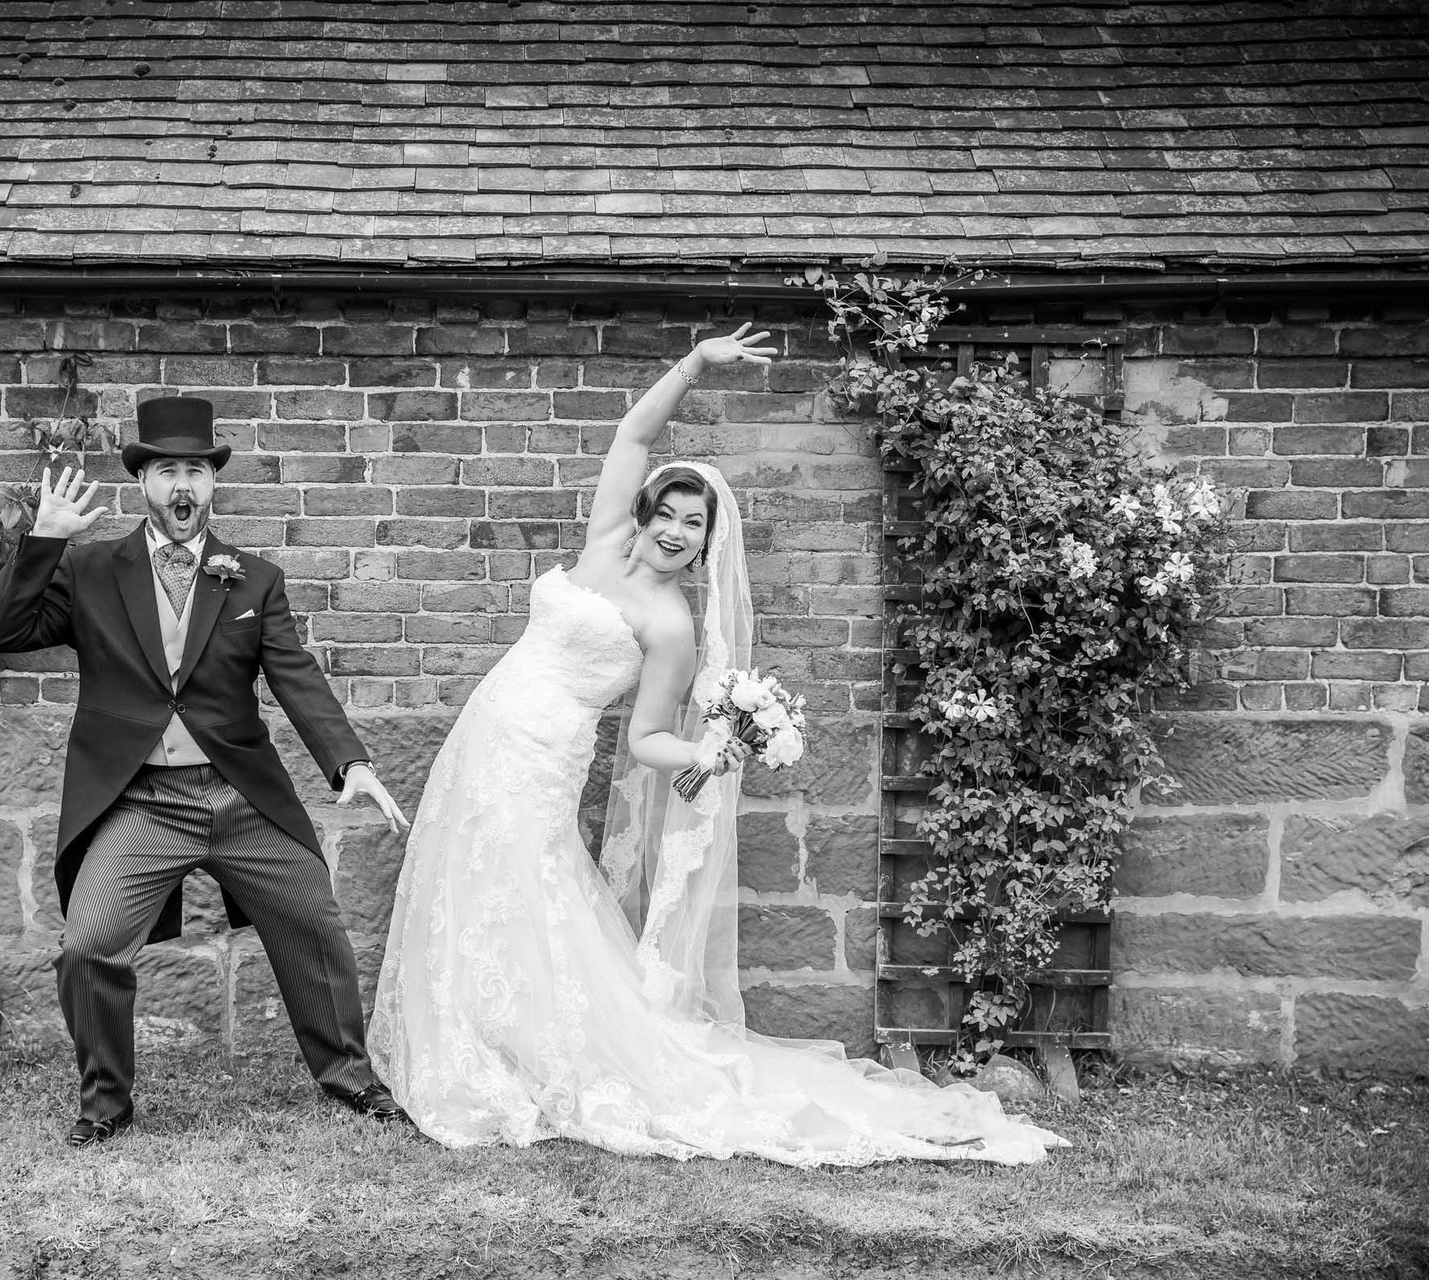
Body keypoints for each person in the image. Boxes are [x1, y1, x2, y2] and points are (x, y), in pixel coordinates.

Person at [367, 326, 1066, 1166]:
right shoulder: (600, 549)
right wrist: (696, 365)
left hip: (542, 756)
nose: (671, 530)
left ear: (705, 545)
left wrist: (702, 756)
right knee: (464, 877)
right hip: (482, 735)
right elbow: (633, 433)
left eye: (690, 524)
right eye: (665, 512)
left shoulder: (670, 628)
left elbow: (648, 735)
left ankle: (535, 1057)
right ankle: (469, 1037)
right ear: (647, 513)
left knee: (525, 890)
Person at [0, 394, 412, 1147]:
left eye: (196, 472)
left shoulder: (252, 578)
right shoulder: (90, 570)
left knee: (316, 926)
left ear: (212, 483)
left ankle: (349, 1077)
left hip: (241, 796)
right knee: (87, 949)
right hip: (142, 803)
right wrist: (42, 541)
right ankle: (106, 1105)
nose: (183, 488)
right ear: (143, 482)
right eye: (166, 472)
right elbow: (7, 632)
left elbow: (295, 674)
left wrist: (350, 762)